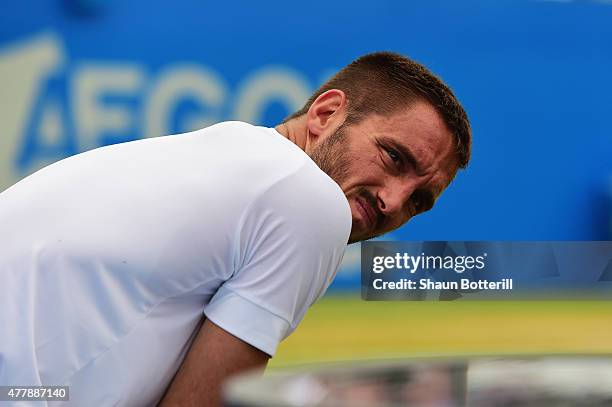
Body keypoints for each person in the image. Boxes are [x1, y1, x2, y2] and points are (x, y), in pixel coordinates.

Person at [0, 51, 471, 406]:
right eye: (393, 156)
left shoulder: (233, 156)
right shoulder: (311, 201)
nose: (393, 201)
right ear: (327, 115)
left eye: (418, 200)